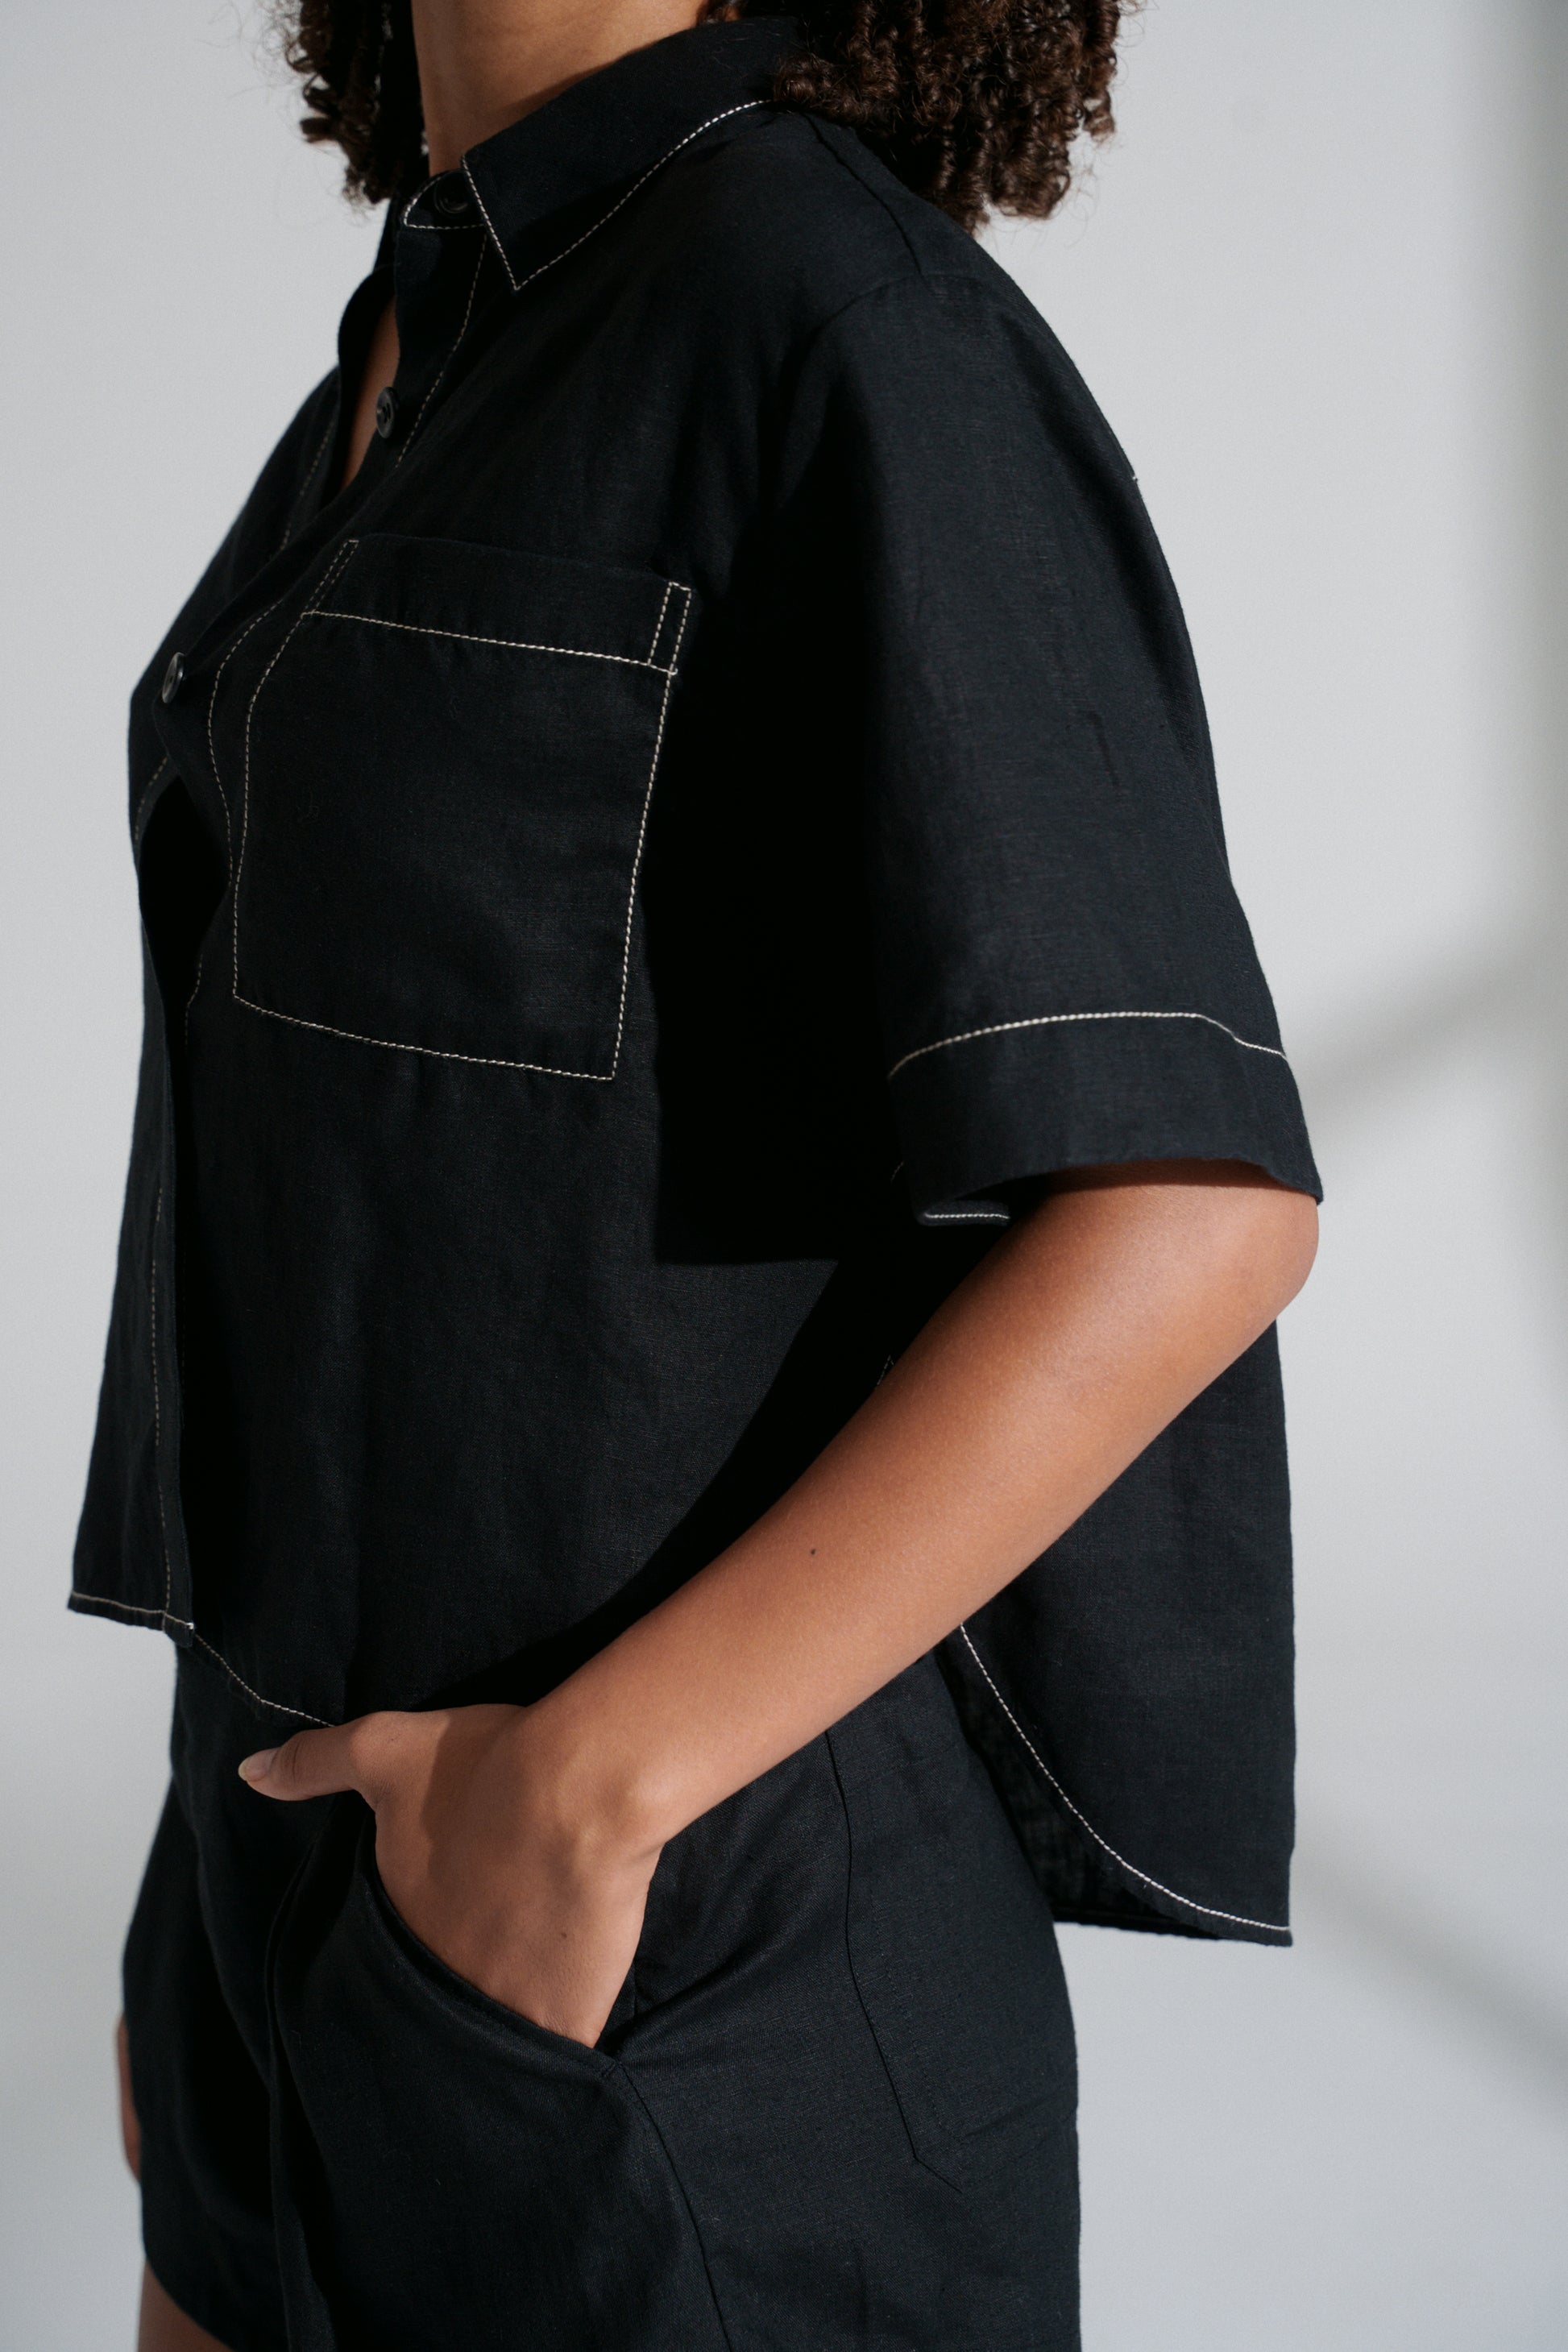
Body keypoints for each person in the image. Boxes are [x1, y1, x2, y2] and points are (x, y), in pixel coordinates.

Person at [80, 0, 1321, 2345]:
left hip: (669, 1965)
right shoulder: (436, 334)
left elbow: (1183, 1202)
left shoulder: (833, 322)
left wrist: (577, 1805)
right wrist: (218, 1904)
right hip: (295, 1881)